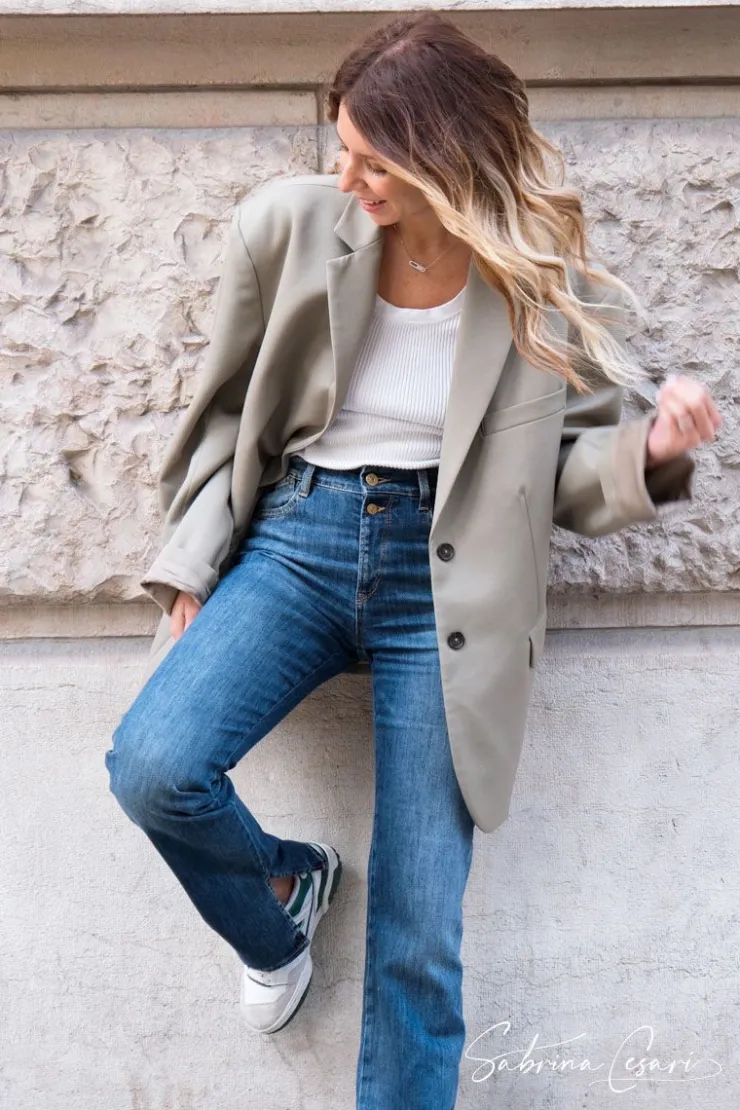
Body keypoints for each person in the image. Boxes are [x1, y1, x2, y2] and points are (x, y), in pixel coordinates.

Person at [105, 12, 721, 1109]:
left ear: (446, 158)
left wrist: (653, 451)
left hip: (451, 580)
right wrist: (192, 564)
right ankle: (280, 897)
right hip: (297, 538)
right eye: (342, 147)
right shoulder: (289, 227)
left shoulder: (538, 281)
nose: (347, 178)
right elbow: (222, 411)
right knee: (154, 764)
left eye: (374, 161)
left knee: (418, 931)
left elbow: (562, 479)